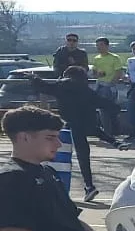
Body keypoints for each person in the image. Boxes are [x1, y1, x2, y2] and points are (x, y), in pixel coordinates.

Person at [30, 67, 117, 202]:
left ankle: (87, 186)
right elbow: (103, 103)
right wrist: (115, 109)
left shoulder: (62, 86)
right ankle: (89, 184)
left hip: (70, 123)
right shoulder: (86, 90)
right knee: (85, 150)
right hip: (86, 122)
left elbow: (44, 87)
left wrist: (33, 77)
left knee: (70, 153)